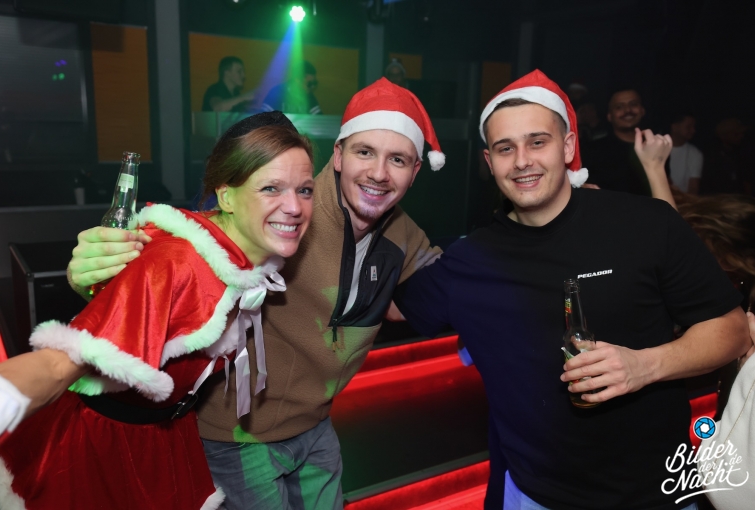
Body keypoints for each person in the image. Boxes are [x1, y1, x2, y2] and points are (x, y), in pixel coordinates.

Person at [66, 78, 446, 509]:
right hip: (237, 436)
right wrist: (100, 271)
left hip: (317, 427)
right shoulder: (291, 208)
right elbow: (204, 239)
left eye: (397, 159)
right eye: (365, 152)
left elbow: (443, 289)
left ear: (416, 171)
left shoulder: (403, 234)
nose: (378, 173)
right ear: (339, 155)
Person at [393, 69, 751, 510]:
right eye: (505, 148)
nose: (522, 160)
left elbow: (733, 330)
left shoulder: (645, 223)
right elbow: (394, 304)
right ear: (489, 161)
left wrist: (644, 365)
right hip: (534, 497)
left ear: (567, 147)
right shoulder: (471, 260)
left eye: (537, 142)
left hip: (656, 495)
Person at [0, 112, 315, 509]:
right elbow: (57, 365)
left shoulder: (245, 258)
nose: (294, 206)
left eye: (305, 190)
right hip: (99, 448)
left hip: (166, 435)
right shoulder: (180, 263)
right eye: (271, 188)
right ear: (226, 196)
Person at [582, 86, 655, 196]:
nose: (628, 110)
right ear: (609, 116)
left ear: (642, 110)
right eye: (619, 107)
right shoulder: (594, 152)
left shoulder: (656, 146)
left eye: (633, 104)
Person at [668, 113, 703, 195]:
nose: (693, 130)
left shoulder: (695, 153)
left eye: (693, 127)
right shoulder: (658, 148)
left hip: (681, 201)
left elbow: (693, 188)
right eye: (688, 127)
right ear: (675, 127)